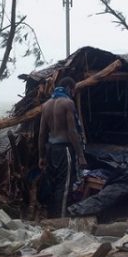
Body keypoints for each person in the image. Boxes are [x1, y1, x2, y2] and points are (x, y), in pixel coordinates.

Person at [38, 77, 87, 217]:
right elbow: (72, 131)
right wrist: (81, 155)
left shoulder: (46, 105)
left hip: (50, 149)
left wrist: (41, 156)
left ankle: (50, 217)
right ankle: (60, 220)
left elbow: (42, 134)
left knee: (52, 184)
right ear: (68, 89)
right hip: (64, 149)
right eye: (73, 90)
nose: (73, 93)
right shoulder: (67, 103)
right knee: (64, 186)